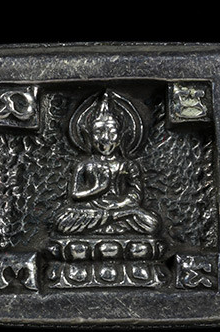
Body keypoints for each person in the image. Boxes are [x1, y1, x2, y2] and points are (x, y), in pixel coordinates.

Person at [56, 91, 159, 235]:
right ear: (89, 136)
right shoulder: (84, 165)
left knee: (151, 222)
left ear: (121, 136)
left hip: (121, 209)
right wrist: (98, 189)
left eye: (111, 132)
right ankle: (112, 221)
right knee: (63, 221)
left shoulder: (128, 165)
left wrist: (119, 205)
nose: (105, 138)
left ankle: (110, 220)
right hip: (91, 210)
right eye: (98, 132)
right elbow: (75, 195)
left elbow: (135, 194)